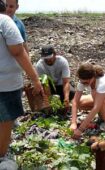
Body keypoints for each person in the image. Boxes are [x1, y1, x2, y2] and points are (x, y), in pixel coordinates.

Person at [0, 0, 43, 165]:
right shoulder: (4, 21)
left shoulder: (16, 23)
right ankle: (2, 155)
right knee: (5, 120)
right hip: (5, 83)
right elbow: (18, 51)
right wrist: (34, 78)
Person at [70, 62, 105, 139]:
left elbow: (96, 107)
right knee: (80, 102)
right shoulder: (82, 82)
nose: (84, 84)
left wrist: (80, 129)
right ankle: (102, 116)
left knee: (95, 93)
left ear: (93, 77)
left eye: (86, 82)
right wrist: (73, 122)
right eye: (82, 82)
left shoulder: (102, 81)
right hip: (100, 101)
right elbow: (75, 101)